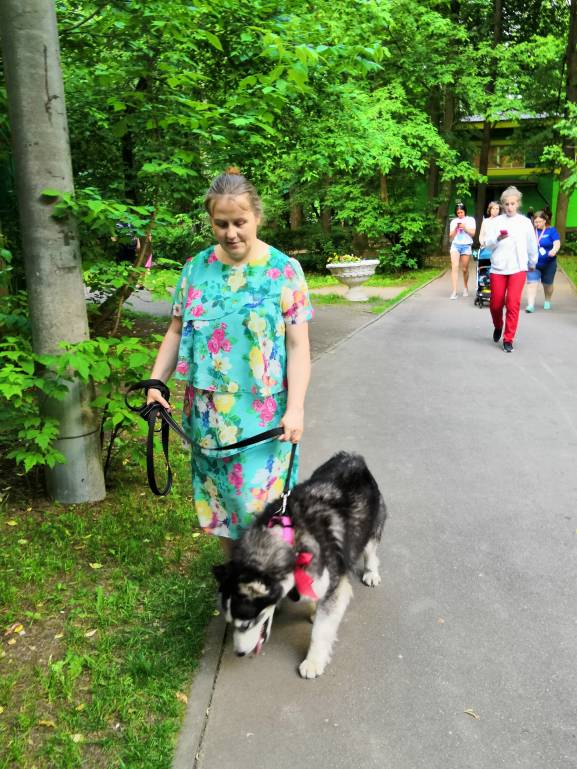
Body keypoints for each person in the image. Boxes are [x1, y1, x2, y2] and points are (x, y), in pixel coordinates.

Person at [146, 168, 313, 553]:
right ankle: (237, 578)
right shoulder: (196, 268)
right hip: (207, 417)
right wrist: (156, 382)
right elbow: (175, 331)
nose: (231, 233)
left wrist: (296, 408)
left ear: (257, 217)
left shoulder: (283, 270)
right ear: (211, 221)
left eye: (240, 222)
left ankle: (270, 578)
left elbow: (298, 347)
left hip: (265, 418)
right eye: (221, 224)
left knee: (263, 512)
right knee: (220, 507)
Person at [483, 186, 538, 353]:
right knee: (496, 304)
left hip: (518, 268)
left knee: (513, 303)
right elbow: (487, 244)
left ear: (518, 203)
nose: (509, 207)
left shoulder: (525, 222)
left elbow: (532, 244)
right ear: (502, 205)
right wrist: (497, 238)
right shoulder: (496, 221)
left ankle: (508, 339)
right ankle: (498, 325)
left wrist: (532, 262)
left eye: (512, 204)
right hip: (498, 267)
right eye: (506, 204)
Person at [525, 210, 561, 312]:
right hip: (533, 263)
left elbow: (557, 242)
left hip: (549, 263)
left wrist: (554, 250)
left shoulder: (551, 230)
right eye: (535, 222)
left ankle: (547, 300)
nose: (537, 224)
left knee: (547, 284)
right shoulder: (531, 231)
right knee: (532, 283)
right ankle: (530, 305)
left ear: (545, 221)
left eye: (540, 221)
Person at [448, 203, 476, 299]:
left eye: (461, 212)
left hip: (466, 245)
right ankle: (454, 291)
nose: (460, 214)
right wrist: (456, 228)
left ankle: (465, 287)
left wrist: (465, 228)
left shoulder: (470, 220)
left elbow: (473, 233)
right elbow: (450, 236)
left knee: (464, 269)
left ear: (465, 211)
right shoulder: (454, 221)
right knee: (454, 267)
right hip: (455, 245)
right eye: (458, 212)